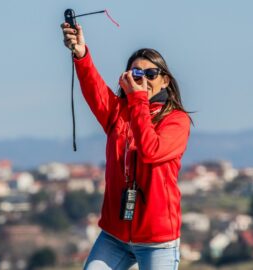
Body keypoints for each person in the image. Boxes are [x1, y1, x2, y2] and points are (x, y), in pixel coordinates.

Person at [62, 22, 192, 270]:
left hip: (158, 240)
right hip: (114, 236)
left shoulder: (176, 120)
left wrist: (138, 99)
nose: (143, 80)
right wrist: (81, 53)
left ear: (165, 81)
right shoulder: (118, 113)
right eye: (136, 74)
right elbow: (94, 89)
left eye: (151, 74)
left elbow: (150, 150)